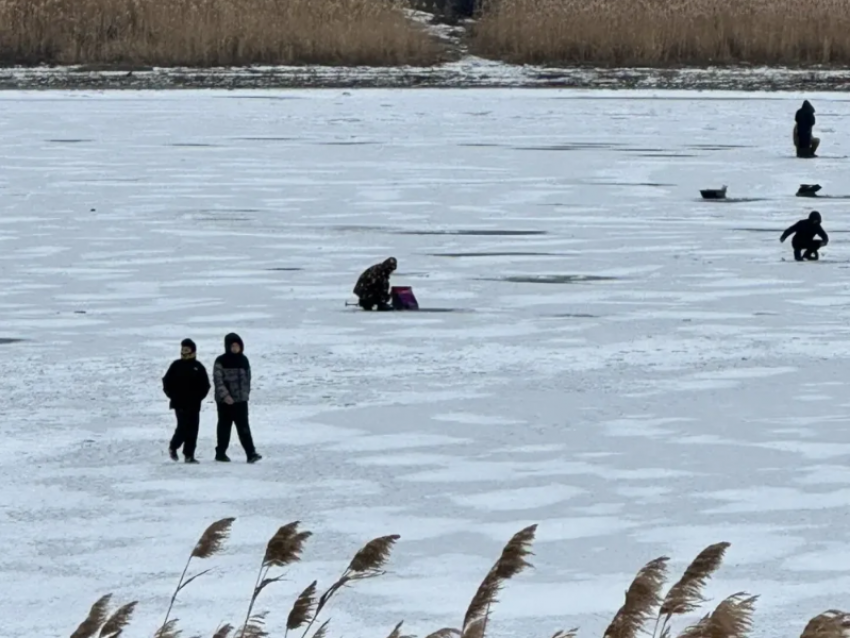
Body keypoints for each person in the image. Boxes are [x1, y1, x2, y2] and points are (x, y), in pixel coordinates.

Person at [213, 332, 262, 463]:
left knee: (244, 427)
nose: (235, 348)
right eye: (232, 346)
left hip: (241, 401)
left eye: (237, 346)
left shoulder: (243, 360)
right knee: (224, 428)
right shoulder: (220, 361)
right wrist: (226, 396)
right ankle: (220, 453)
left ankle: (251, 453)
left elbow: (248, 379)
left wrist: (245, 395)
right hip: (225, 403)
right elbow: (218, 381)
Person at [162, 338, 211, 464]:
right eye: (183, 349)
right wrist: (171, 395)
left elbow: (206, 385)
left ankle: (189, 455)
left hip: (194, 404)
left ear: (193, 351)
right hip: (179, 403)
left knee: (193, 429)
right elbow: (166, 381)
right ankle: (173, 447)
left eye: (187, 350)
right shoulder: (176, 365)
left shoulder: (198, 367)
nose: (184, 352)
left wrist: (199, 397)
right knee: (183, 428)